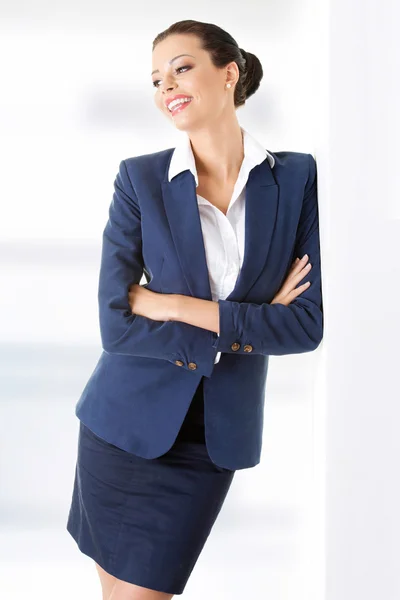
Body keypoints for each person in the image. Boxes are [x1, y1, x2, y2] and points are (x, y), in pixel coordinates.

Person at [66, 18, 323, 600]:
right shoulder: (141, 179)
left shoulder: (296, 178)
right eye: (156, 80)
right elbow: (116, 325)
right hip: (121, 425)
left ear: (228, 73)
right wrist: (248, 322)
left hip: (212, 442)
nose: (167, 88)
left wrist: (174, 304)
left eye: (182, 68)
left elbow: (305, 326)